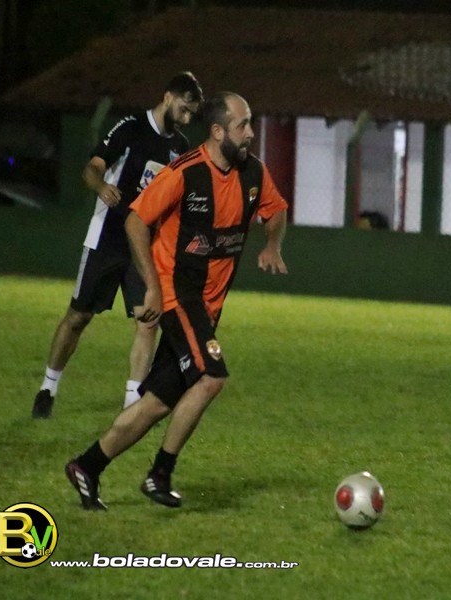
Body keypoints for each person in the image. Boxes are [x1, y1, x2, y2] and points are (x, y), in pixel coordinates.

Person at [64, 91, 289, 510]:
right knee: (212, 377)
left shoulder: (254, 173)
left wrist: (272, 243)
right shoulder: (184, 173)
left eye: (250, 123)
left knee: (156, 403)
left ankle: (87, 467)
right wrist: (151, 286)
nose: (251, 133)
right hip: (178, 296)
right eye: (242, 125)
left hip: (207, 307)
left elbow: (275, 210)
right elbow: (135, 221)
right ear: (218, 131)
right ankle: (160, 474)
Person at [31, 72, 204, 418]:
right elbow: (92, 169)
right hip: (107, 238)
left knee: (148, 320)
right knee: (78, 317)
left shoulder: (180, 147)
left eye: (191, 114)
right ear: (168, 97)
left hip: (143, 247)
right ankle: (48, 387)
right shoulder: (130, 128)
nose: (186, 119)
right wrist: (101, 187)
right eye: (184, 110)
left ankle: (131, 405)